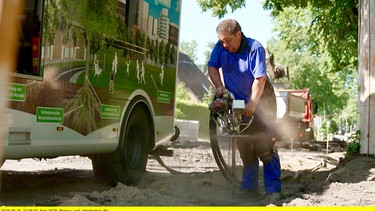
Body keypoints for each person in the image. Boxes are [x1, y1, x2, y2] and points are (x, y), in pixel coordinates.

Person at [207, 19, 281, 200]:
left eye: (228, 40)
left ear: (238, 34)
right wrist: (219, 87)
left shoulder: (254, 48)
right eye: (222, 41)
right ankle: (249, 189)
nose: (225, 45)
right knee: (245, 146)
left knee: (265, 147)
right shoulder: (220, 46)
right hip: (238, 102)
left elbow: (260, 79)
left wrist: (253, 103)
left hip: (263, 102)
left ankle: (273, 191)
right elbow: (212, 67)